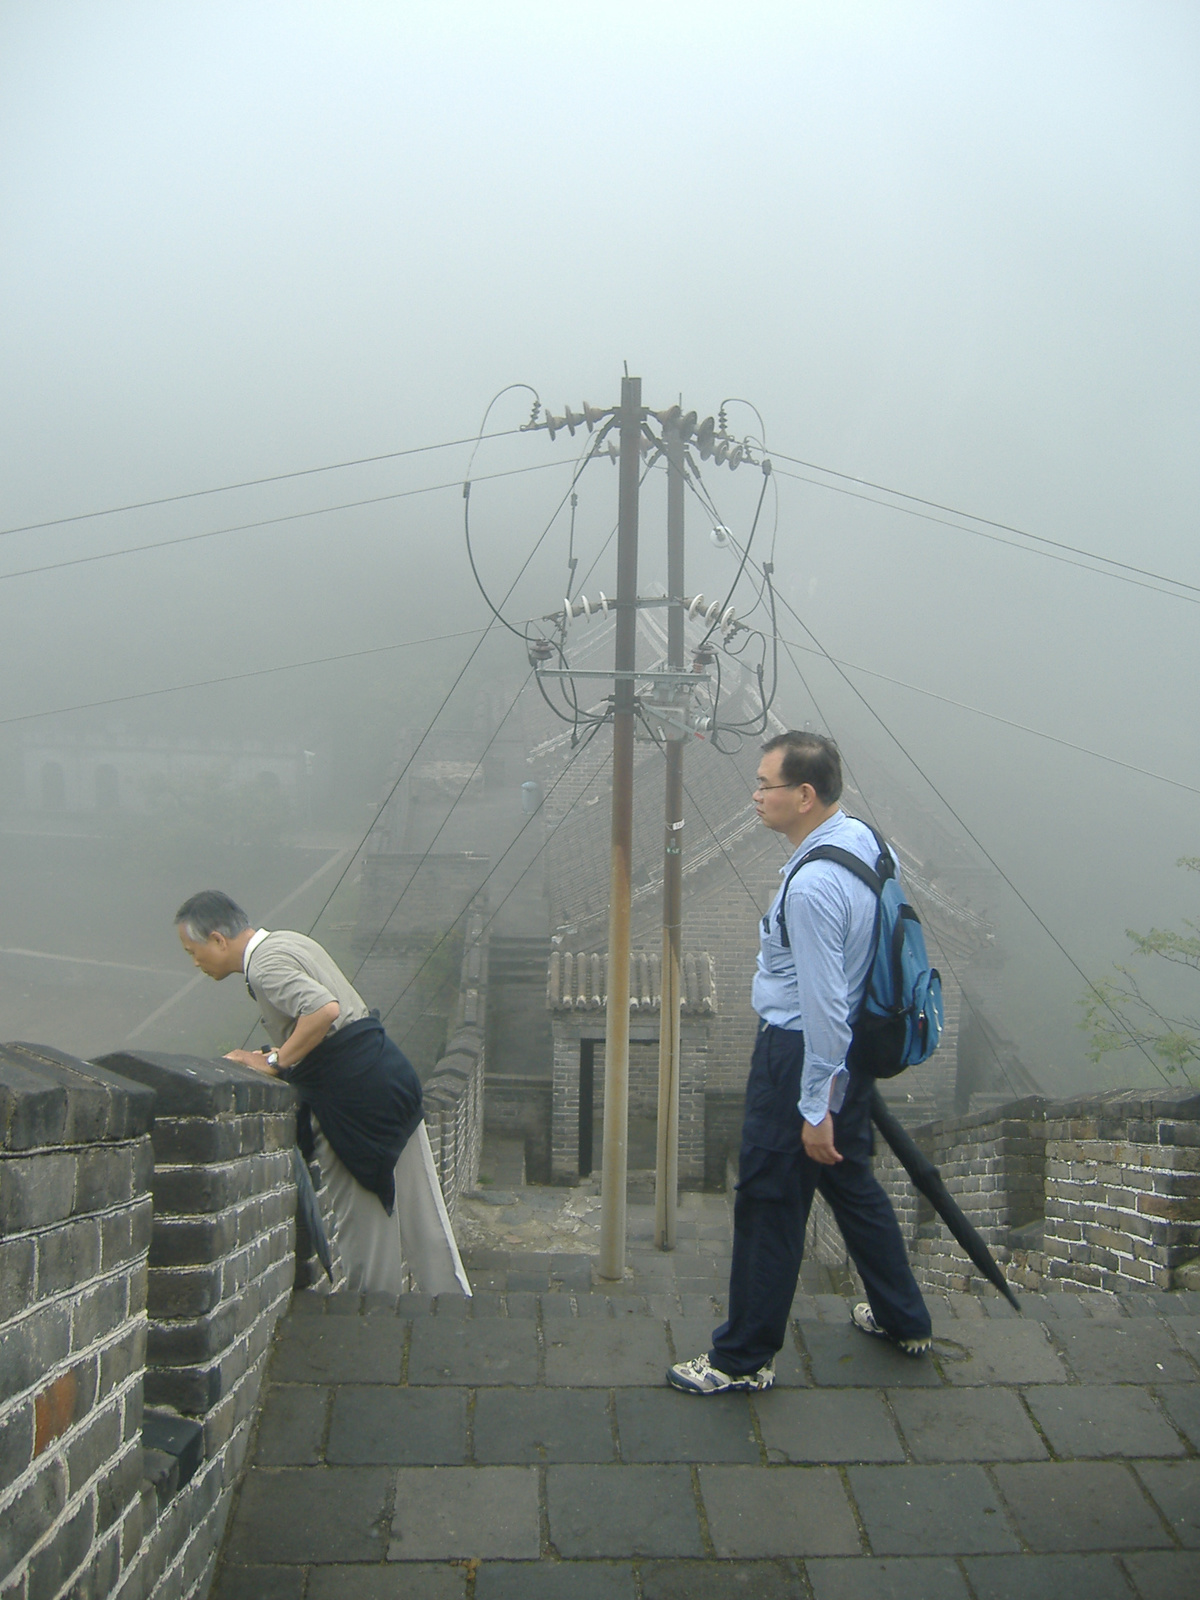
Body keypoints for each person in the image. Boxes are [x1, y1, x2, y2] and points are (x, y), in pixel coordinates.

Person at [668, 731, 931, 1395]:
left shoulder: (813, 888)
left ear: (804, 795)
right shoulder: (866, 840)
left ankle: (741, 1359)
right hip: (854, 1051)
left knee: (768, 1200)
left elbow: (824, 1007)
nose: (755, 797)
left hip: (801, 1057)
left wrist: (815, 1106)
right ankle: (906, 1317)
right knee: (852, 1182)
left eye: (766, 785)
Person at [175, 889, 470, 1298]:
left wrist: (273, 1063)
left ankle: (374, 1322)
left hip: (352, 1102)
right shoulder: (286, 941)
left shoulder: (264, 967)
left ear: (218, 940)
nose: (195, 962)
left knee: (365, 1227)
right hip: (388, 1079)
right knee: (425, 1218)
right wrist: (279, 1054)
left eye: (193, 950)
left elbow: (323, 1010)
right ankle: (456, 1307)